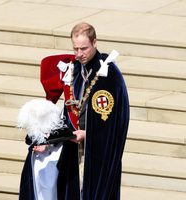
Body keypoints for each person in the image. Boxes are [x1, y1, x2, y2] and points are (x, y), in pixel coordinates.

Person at [19, 22, 129, 200]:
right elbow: (68, 111)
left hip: (97, 151)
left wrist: (87, 134)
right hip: (72, 147)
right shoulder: (75, 68)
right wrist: (50, 140)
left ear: (95, 42)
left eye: (83, 48)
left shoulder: (109, 74)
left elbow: (115, 122)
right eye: (75, 48)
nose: (79, 54)